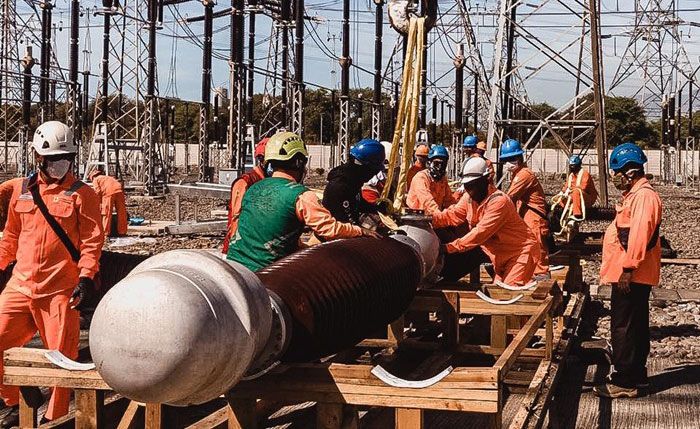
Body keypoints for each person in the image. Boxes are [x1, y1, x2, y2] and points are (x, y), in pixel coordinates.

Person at [0, 121, 103, 427]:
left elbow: (92, 242)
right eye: (54, 159)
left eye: (66, 158)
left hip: (60, 291)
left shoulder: (83, 194)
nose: (61, 165)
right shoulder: (21, 190)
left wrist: (86, 276)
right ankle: (15, 396)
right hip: (22, 286)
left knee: (62, 363)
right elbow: (11, 237)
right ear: (37, 158)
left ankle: (54, 419)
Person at [228, 132, 379, 272]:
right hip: (267, 272)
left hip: (235, 266)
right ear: (299, 163)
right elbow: (329, 229)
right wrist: (360, 231)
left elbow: (271, 231)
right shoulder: (301, 195)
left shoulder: (254, 188)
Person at [594, 143, 661, 399]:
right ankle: (636, 376)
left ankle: (625, 380)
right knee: (635, 324)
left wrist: (628, 268)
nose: (614, 178)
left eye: (617, 172)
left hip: (631, 275)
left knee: (624, 326)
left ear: (630, 171)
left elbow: (639, 235)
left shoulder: (644, 196)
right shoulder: (636, 195)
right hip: (632, 273)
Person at [432, 157, 539, 286]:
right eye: (467, 186)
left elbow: (480, 233)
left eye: (473, 185)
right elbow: (453, 215)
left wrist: (448, 248)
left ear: (486, 180)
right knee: (498, 294)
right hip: (498, 256)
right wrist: (429, 219)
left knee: (508, 295)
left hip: (520, 253)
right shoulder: (469, 198)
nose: (470, 190)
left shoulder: (499, 202)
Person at [499, 139, 550, 277]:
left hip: (534, 215)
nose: (508, 163)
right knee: (528, 243)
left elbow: (510, 198)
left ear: (520, 158)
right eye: (506, 159)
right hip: (526, 212)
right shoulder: (517, 174)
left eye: (511, 159)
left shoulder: (524, 175)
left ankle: (542, 275)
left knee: (536, 244)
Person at [222, 138, 269, 254]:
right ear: (261, 160)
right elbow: (236, 219)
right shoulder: (246, 182)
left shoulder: (272, 182)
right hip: (242, 251)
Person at [322, 138, 385, 224]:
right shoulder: (339, 187)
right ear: (366, 167)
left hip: (348, 231)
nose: (373, 175)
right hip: (336, 234)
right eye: (374, 171)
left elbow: (357, 204)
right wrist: (363, 231)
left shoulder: (353, 181)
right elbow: (342, 222)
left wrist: (376, 208)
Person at [406, 145, 456, 215]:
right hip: (416, 218)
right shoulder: (421, 178)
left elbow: (449, 201)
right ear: (430, 162)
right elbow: (427, 201)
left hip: (433, 216)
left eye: (443, 164)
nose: (440, 167)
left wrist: (455, 211)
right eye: (437, 163)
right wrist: (439, 215)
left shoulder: (442, 180)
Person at [88, 167, 128, 240]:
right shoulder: (107, 177)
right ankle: (122, 232)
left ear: (92, 177)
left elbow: (98, 191)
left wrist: (98, 202)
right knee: (122, 212)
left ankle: (105, 233)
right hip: (119, 190)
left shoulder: (96, 179)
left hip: (108, 193)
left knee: (107, 213)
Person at [558, 155, 598, 220]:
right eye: (571, 166)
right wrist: (562, 193)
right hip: (575, 195)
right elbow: (566, 187)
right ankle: (563, 212)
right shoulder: (571, 175)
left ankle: (577, 214)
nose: (572, 167)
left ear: (578, 165)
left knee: (576, 191)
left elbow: (583, 187)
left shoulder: (585, 174)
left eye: (574, 166)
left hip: (588, 197)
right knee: (562, 198)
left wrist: (570, 191)